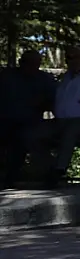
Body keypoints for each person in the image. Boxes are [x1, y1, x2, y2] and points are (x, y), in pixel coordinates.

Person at [31, 45, 80, 187]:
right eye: (69, 58)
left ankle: (58, 170)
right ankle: (48, 167)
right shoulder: (66, 78)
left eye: (76, 57)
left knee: (70, 132)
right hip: (59, 121)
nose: (72, 61)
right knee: (31, 134)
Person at [0, 50, 56, 188]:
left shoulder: (44, 79)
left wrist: (42, 103)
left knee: (25, 137)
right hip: (5, 119)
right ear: (21, 63)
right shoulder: (7, 77)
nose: (32, 67)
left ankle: (13, 176)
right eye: (28, 63)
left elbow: (55, 100)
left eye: (36, 63)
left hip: (30, 121)